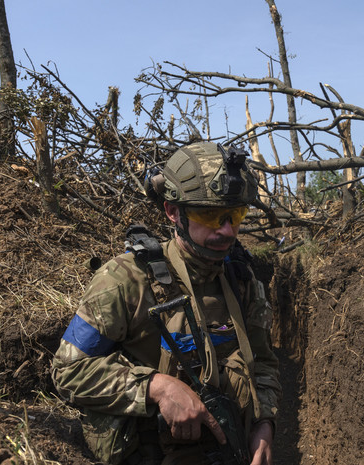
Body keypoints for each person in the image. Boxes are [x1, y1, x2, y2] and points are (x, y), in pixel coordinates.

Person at [51, 142, 281, 465]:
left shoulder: (242, 282)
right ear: (173, 212)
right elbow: (67, 370)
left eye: (236, 214)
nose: (228, 229)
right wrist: (155, 387)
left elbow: (265, 365)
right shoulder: (125, 280)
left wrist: (264, 425)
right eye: (211, 215)